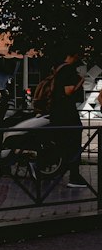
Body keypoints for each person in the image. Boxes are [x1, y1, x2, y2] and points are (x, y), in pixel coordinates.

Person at [48, 49, 89, 188]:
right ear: (74, 55)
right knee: (73, 141)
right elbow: (69, 91)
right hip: (66, 111)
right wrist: (82, 79)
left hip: (57, 111)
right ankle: (74, 176)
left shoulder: (58, 68)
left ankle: (63, 170)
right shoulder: (68, 69)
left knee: (64, 142)